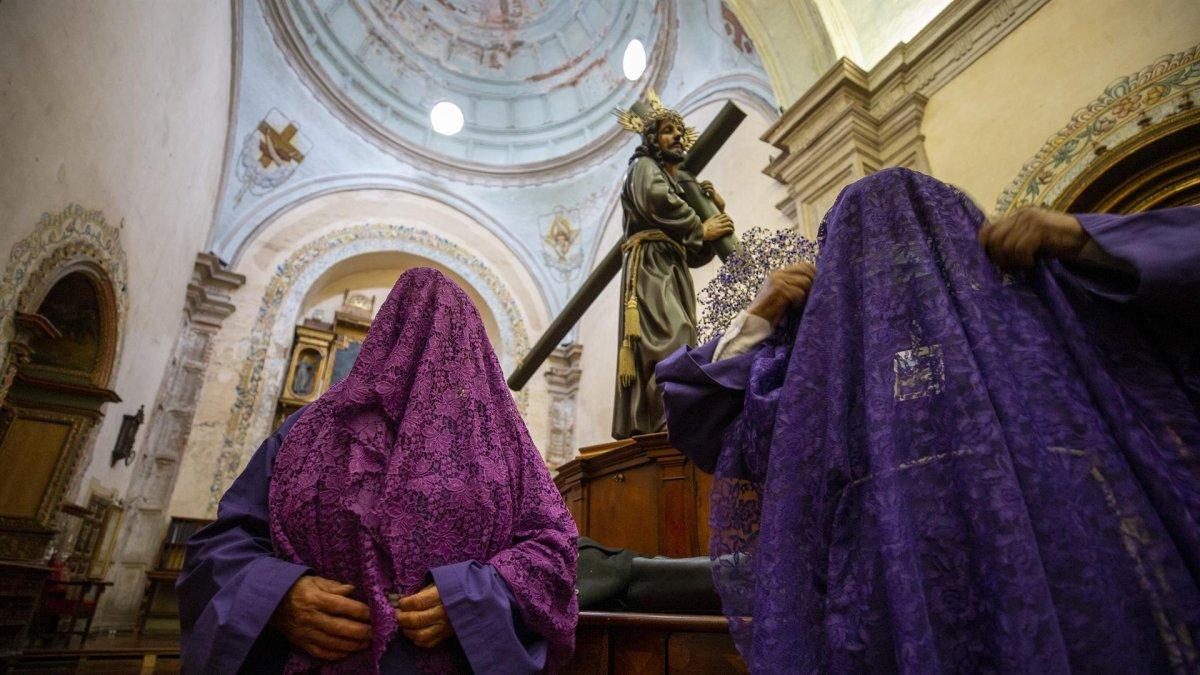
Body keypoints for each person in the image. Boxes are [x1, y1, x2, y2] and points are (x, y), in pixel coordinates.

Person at [657, 167, 1200, 672]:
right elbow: (701, 412)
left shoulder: (1029, 311)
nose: (901, 265)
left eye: (919, 244)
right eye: (871, 252)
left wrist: (1081, 239)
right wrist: (759, 316)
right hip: (881, 603)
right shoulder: (822, 370)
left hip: (1062, 576)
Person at [178, 268, 579, 674]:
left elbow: (554, 551)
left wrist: (473, 597)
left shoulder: (504, 444)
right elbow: (222, 543)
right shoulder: (306, 431)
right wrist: (279, 596)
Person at [610, 91, 736, 439]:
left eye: (680, 132)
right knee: (670, 335)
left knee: (685, 336)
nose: (678, 137)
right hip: (650, 265)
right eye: (668, 130)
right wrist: (699, 224)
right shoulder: (643, 168)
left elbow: (695, 252)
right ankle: (665, 413)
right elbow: (655, 200)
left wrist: (715, 215)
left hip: (672, 266)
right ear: (653, 139)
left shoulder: (676, 182)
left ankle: (674, 409)